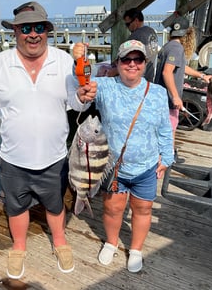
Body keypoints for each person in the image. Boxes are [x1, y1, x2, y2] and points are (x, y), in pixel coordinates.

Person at [0, 1, 96, 279]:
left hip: (54, 157)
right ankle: (19, 246)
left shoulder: (64, 61)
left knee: (55, 204)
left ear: (47, 31)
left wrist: (82, 97)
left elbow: (74, 105)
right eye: (26, 28)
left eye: (39, 28)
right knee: (15, 207)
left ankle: (60, 242)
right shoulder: (0, 64)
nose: (33, 34)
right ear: (15, 31)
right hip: (13, 158)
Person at [73, 39, 174, 273]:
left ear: (145, 63)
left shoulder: (158, 93)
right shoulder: (105, 86)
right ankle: (111, 242)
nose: (132, 64)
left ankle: (136, 249)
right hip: (112, 167)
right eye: (126, 59)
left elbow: (164, 129)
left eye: (137, 59)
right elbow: (83, 83)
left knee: (143, 209)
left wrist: (166, 158)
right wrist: (78, 60)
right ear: (117, 62)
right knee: (113, 208)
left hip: (147, 166)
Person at [152, 16, 212, 163]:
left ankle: (167, 155)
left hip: (159, 97)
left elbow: (181, 67)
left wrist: (201, 75)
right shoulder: (177, 49)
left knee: (163, 129)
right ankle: (168, 158)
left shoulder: (167, 46)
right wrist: (175, 96)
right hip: (168, 99)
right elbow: (167, 72)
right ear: (188, 34)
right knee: (170, 129)